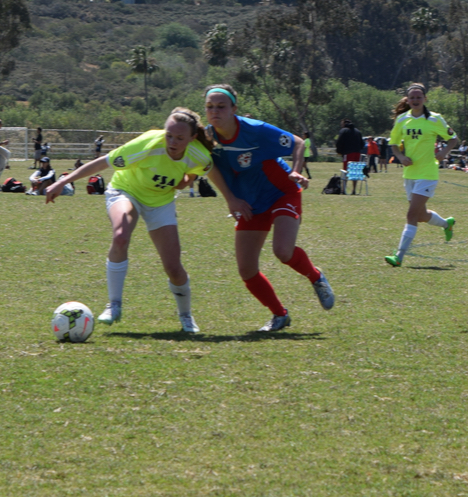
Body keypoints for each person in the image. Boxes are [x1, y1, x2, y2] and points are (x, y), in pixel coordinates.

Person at [49, 109, 215, 332]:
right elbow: (103, 163)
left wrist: (187, 179)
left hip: (160, 202)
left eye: (179, 138)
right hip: (126, 191)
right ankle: (114, 305)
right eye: (169, 135)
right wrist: (64, 181)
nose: (172, 142)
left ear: (192, 138)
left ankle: (186, 316)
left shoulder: (199, 155)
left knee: (173, 268)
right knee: (120, 236)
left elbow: (198, 171)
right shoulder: (147, 143)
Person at [202, 84, 334, 333]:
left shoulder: (254, 130)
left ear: (234, 109)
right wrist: (230, 199)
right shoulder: (206, 138)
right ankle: (279, 315)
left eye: (221, 106)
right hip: (249, 203)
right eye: (210, 107)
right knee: (246, 269)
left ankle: (316, 277)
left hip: (281, 192)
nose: (214, 111)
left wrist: (295, 169)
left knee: (283, 251)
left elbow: (298, 143)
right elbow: (210, 168)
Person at [382, 84, 455, 266]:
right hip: (410, 174)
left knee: (411, 215)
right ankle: (447, 224)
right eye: (412, 98)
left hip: (428, 173)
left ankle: (399, 256)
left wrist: (444, 152)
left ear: (425, 99)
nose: (415, 100)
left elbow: (453, 138)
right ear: (407, 100)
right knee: (421, 215)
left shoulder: (434, 119)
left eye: (419, 97)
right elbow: (394, 143)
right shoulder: (401, 120)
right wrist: (400, 156)